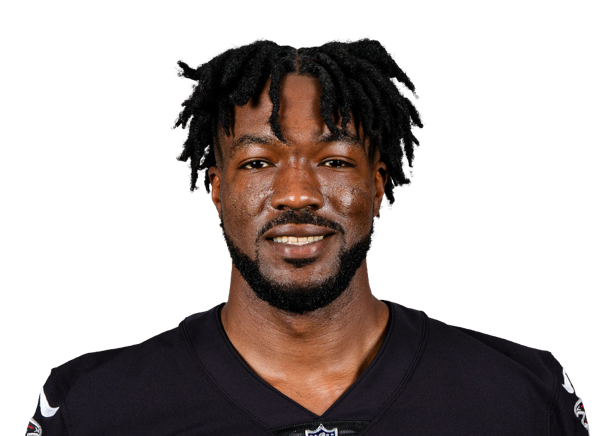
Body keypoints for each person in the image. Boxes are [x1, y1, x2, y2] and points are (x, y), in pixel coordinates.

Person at [26, 37, 589, 435]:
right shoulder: (93, 407)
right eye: (257, 163)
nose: (297, 194)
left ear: (377, 184)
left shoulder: (523, 396)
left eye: (335, 160)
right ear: (217, 189)